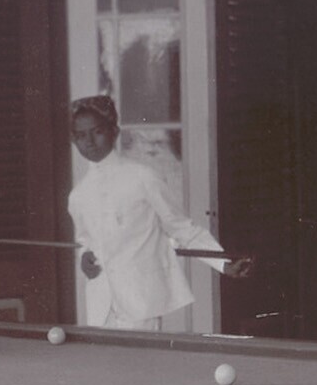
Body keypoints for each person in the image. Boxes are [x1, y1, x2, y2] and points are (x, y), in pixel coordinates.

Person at [65, 94, 253, 330]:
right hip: (100, 304)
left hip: (141, 301)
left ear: (114, 131)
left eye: (97, 132)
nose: (89, 142)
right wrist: (84, 256)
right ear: (74, 140)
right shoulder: (78, 196)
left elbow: (181, 228)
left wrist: (223, 263)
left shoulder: (142, 177)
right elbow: (85, 240)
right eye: (81, 135)